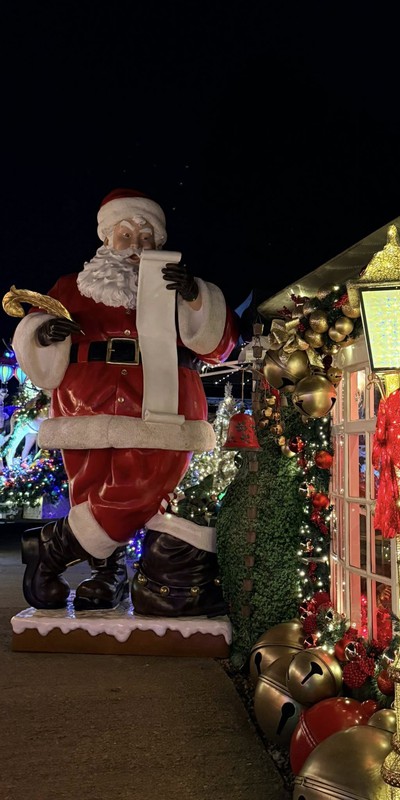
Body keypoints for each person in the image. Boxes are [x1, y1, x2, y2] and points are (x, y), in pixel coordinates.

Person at [11, 188, 239, 616]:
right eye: (125, 234)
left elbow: (220, 347)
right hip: (85, 399)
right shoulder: (72, 287)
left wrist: (195, 298)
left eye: (145, 237)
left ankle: (51, 547)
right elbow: (34, 328)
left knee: (147, 485)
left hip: (164, 401)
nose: (135, 246)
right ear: (106, 238)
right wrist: (42, 333)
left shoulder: (176, 287)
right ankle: (107, 572)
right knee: (90, 487)